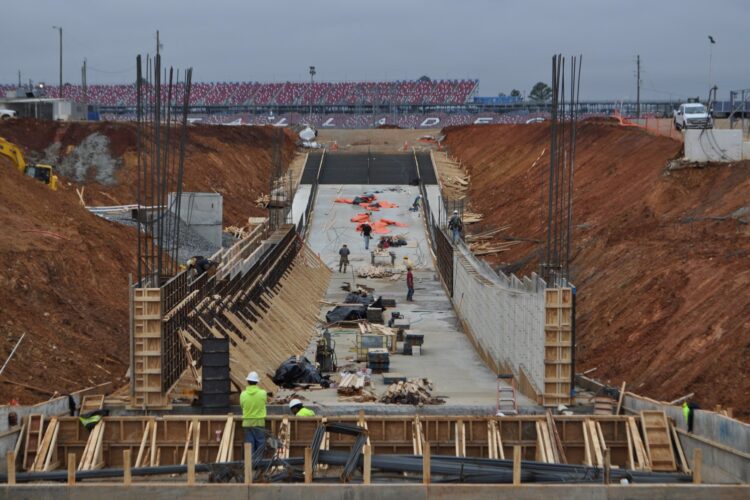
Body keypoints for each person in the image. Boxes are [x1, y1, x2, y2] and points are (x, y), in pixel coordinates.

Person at [240, 371, 267, 452]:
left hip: (247, 422)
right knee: (260, 444)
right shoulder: (263, 393)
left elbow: (242, 406)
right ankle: (260, 463)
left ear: (248, 381)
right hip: (259, 422)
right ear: (257, 382)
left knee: (249, 445)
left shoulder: (243, 394)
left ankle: (250, 464)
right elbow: (264, 403)